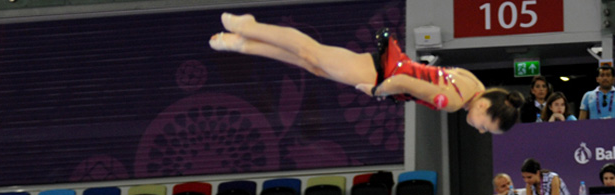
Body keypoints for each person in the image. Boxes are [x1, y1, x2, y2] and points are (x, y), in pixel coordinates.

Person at [210, 17, 523, 134]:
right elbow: (404, 83)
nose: (480, 130)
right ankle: (249, 27)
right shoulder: (453, 102)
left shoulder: (475, 84)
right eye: (485, 126)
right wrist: (376, 92)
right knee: (311, 53)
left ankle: (244, 44)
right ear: (484, 107)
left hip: (385, 68)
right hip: (379, 74)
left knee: (313, 65)